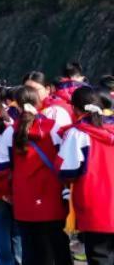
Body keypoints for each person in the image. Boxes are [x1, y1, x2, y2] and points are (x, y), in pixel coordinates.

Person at [0, 85, 71, 265]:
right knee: (58, 247)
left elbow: (1, 168)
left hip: (24, 198)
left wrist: (6, 192)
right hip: (52, 197)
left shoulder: (10, 132)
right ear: (38, 103)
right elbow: (65, 160)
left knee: (31, 249)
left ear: (16, 105)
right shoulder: (54, 128)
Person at [58, 86, 114, 265]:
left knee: (99, 256)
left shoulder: (78, 134)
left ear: (75, 108)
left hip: (95, 205)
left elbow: (67, 170)